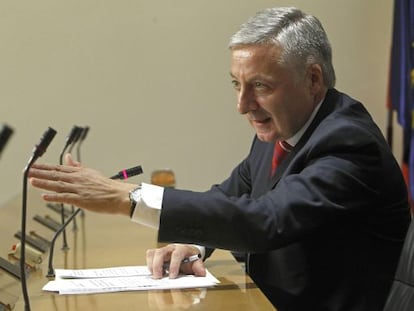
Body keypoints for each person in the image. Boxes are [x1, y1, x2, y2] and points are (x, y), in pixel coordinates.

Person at [28, 7, 410, 311]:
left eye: (260, 86)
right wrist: (195, 245)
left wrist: (128, 199)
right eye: (236, 84)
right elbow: (233, 196)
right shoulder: (281, 129)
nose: (242, 105)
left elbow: (266, 221)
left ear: (313, 79)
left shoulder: (348, 142)